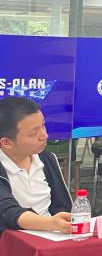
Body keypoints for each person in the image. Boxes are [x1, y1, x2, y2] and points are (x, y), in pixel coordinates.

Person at [0, 97, 73, 235]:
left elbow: (62, 205)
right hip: (13, 240)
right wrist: (51, 223)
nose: (44, 135)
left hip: (53, 236)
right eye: (33, 133)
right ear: (7, 143)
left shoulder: (46, 158)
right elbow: (7, 211)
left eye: (43, 126)